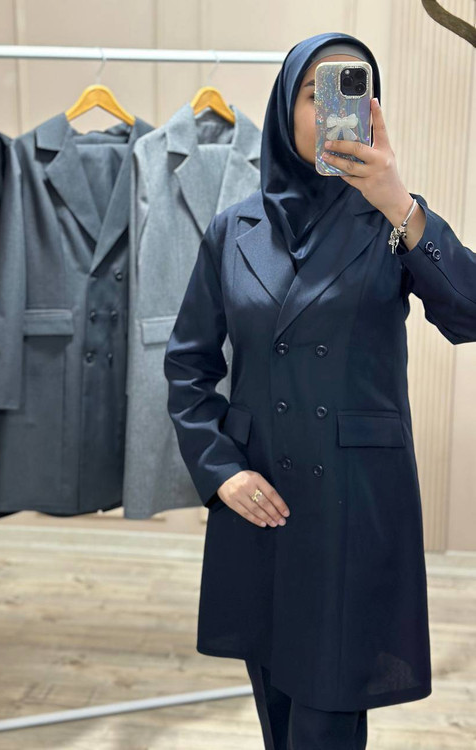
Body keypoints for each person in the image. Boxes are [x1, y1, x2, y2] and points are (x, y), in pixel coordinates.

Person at [163, 31, 476, 749]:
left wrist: (398, 201)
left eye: (355, 91)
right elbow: (187, 365)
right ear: (285, 108)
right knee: (274, 688)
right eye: (316, 92)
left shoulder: (393, 222)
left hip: (353, 497)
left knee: (330, 708)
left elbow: (467, 313)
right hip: (261, 491)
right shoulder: (232, 230)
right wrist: (220, 470)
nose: (336, 108)